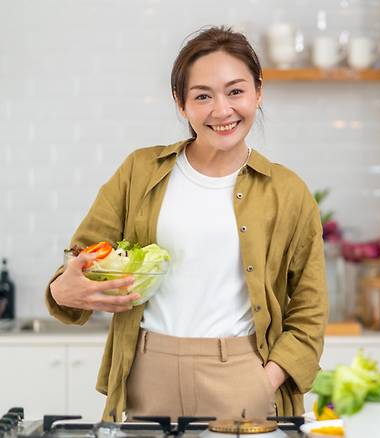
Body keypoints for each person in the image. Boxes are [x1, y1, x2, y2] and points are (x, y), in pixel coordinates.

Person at [46, 26, 328, 421]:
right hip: (146, 371)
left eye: (235, 91)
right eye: (202, 96)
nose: (221, 110)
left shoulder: (289, 191)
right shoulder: (138, 172)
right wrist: (64, 289)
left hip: (242, 373)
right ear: (181, 103)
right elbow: (81, 261)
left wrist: (265, 379)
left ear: (258, 91)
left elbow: (310, 309)